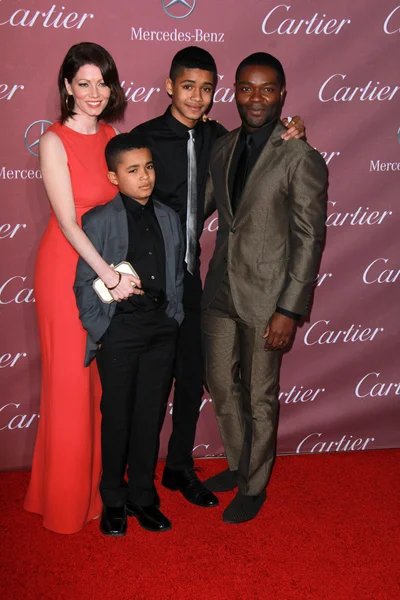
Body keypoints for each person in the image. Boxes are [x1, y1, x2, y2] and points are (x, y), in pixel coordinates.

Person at [131, 46, 305, 508]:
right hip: (164, 282)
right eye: (188, 86)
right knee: (183, 384)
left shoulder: (243, 142)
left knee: (223, 385)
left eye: (206, 89)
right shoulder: (159, 138)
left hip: (220, 285)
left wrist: (290, 309)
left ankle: (216, 477)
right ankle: (160, 478)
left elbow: (301, 232)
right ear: (170, 87)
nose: (197, 97)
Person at [202, 52, 328, 524]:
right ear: (233, 92)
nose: (256, 98)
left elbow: (309, 238)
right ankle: (238, 465)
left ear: (282, 94)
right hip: (219, 290)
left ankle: (255, 486)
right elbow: (206, 207)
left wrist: (288, 310)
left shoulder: (301, 156)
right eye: (246, 88)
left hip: (267, 296)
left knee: (258, 394)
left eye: (267, 88)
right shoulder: (225, 145)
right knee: (220, 383)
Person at [24, 43, 142, 535]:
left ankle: (93, 490)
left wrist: (123, 268)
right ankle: (65, 503)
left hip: (104, 270)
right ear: (67, 86)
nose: (95, 93)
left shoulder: (114, 135)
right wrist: (111, 277)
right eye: (84, 83)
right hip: (66, 271)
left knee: (98, 387)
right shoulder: (53, 141)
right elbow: (70, 224)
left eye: (102, 83)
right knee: (71, 385)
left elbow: (122, 211)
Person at [74, 134, 184, 536]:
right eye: (133, 170)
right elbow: (85, 285)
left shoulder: (169, 217)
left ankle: (142, 495)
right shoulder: (99, 221)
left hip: (160, 330)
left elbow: (176, 277)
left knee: (150, 417)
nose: (144, 177)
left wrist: (173, 319)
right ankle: (114, 501)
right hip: (119, 332)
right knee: (117, 418)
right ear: (113, 176)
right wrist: (103, 329)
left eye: (149, 167)